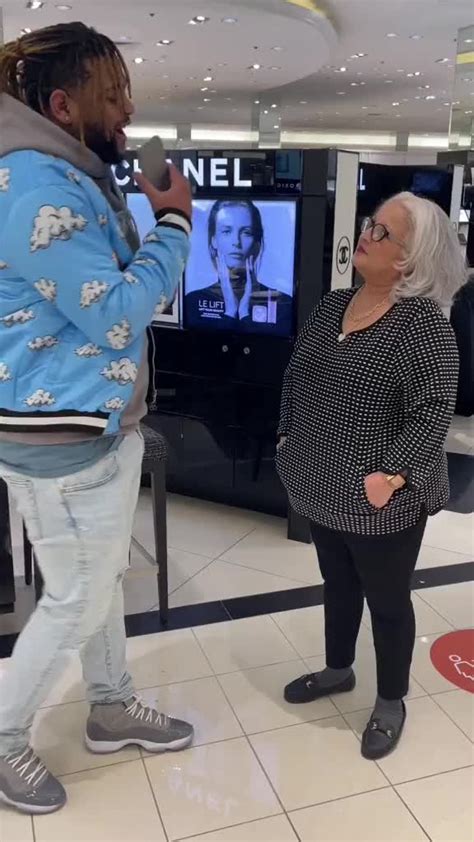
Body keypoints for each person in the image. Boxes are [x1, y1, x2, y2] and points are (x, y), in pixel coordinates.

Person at [0, 22, 194, 814]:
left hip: (90, 423)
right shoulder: (37, 186)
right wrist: (174, 223)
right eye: (112, 97)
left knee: (98, 579)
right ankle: (4, 737)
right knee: (76, 596)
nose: (128, 111)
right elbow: (114, 315)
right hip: (60, 439)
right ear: (61, 104)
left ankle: (110, 704)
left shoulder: (65, 172)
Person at [277, 192, 466, 760]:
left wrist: (392, 476)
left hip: (384, 499)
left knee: (387, 601)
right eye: (371, 224)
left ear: (411, 258)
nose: (366, 234)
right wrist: (286, 436)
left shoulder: (424, 327)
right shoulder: (334, 304)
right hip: (320, 484)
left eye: (383, 232)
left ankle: (390, 701)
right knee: (337, 584)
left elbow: (433, 412)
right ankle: (339, 670)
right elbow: (295, 375)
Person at [185, 199, 293, 334]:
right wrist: (230, 311)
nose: (236, 242)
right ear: (214, 241)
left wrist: (244, 313)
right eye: (226, 231)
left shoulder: (282, 303)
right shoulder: (193, 301)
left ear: (257, 244)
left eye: (246, 232)